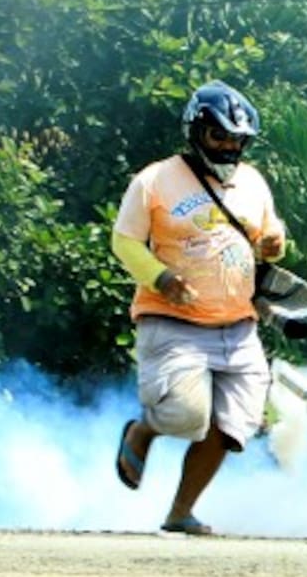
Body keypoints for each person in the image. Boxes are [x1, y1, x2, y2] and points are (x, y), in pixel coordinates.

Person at [111, 80, 286, 535]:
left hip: (238, 325)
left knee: (233, 427)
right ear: (197, 130)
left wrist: (275, 244)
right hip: (173, 323)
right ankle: (144, 430)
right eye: (220, 137)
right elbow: (124, 241)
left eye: (238, 140)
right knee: (188, 416)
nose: (229, 147)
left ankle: (180, 512)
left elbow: (271, 239)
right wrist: (162, 278)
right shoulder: (154, 179)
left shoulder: (253, 182)